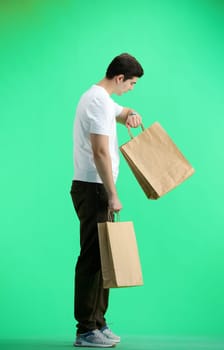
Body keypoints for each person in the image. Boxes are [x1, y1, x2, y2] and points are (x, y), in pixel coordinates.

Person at [70, 53, 144, 348]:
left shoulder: (99, 97)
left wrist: (130, 113)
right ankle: (85, 329)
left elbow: (120, 111)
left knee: (103, 258)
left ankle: (98, 324)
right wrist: (113, 194)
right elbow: (100, 152)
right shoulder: (98, 102)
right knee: (92, 258)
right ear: (119, 78)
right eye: (132, 83)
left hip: (93, 187)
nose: (132, 88)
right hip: (95, 188)